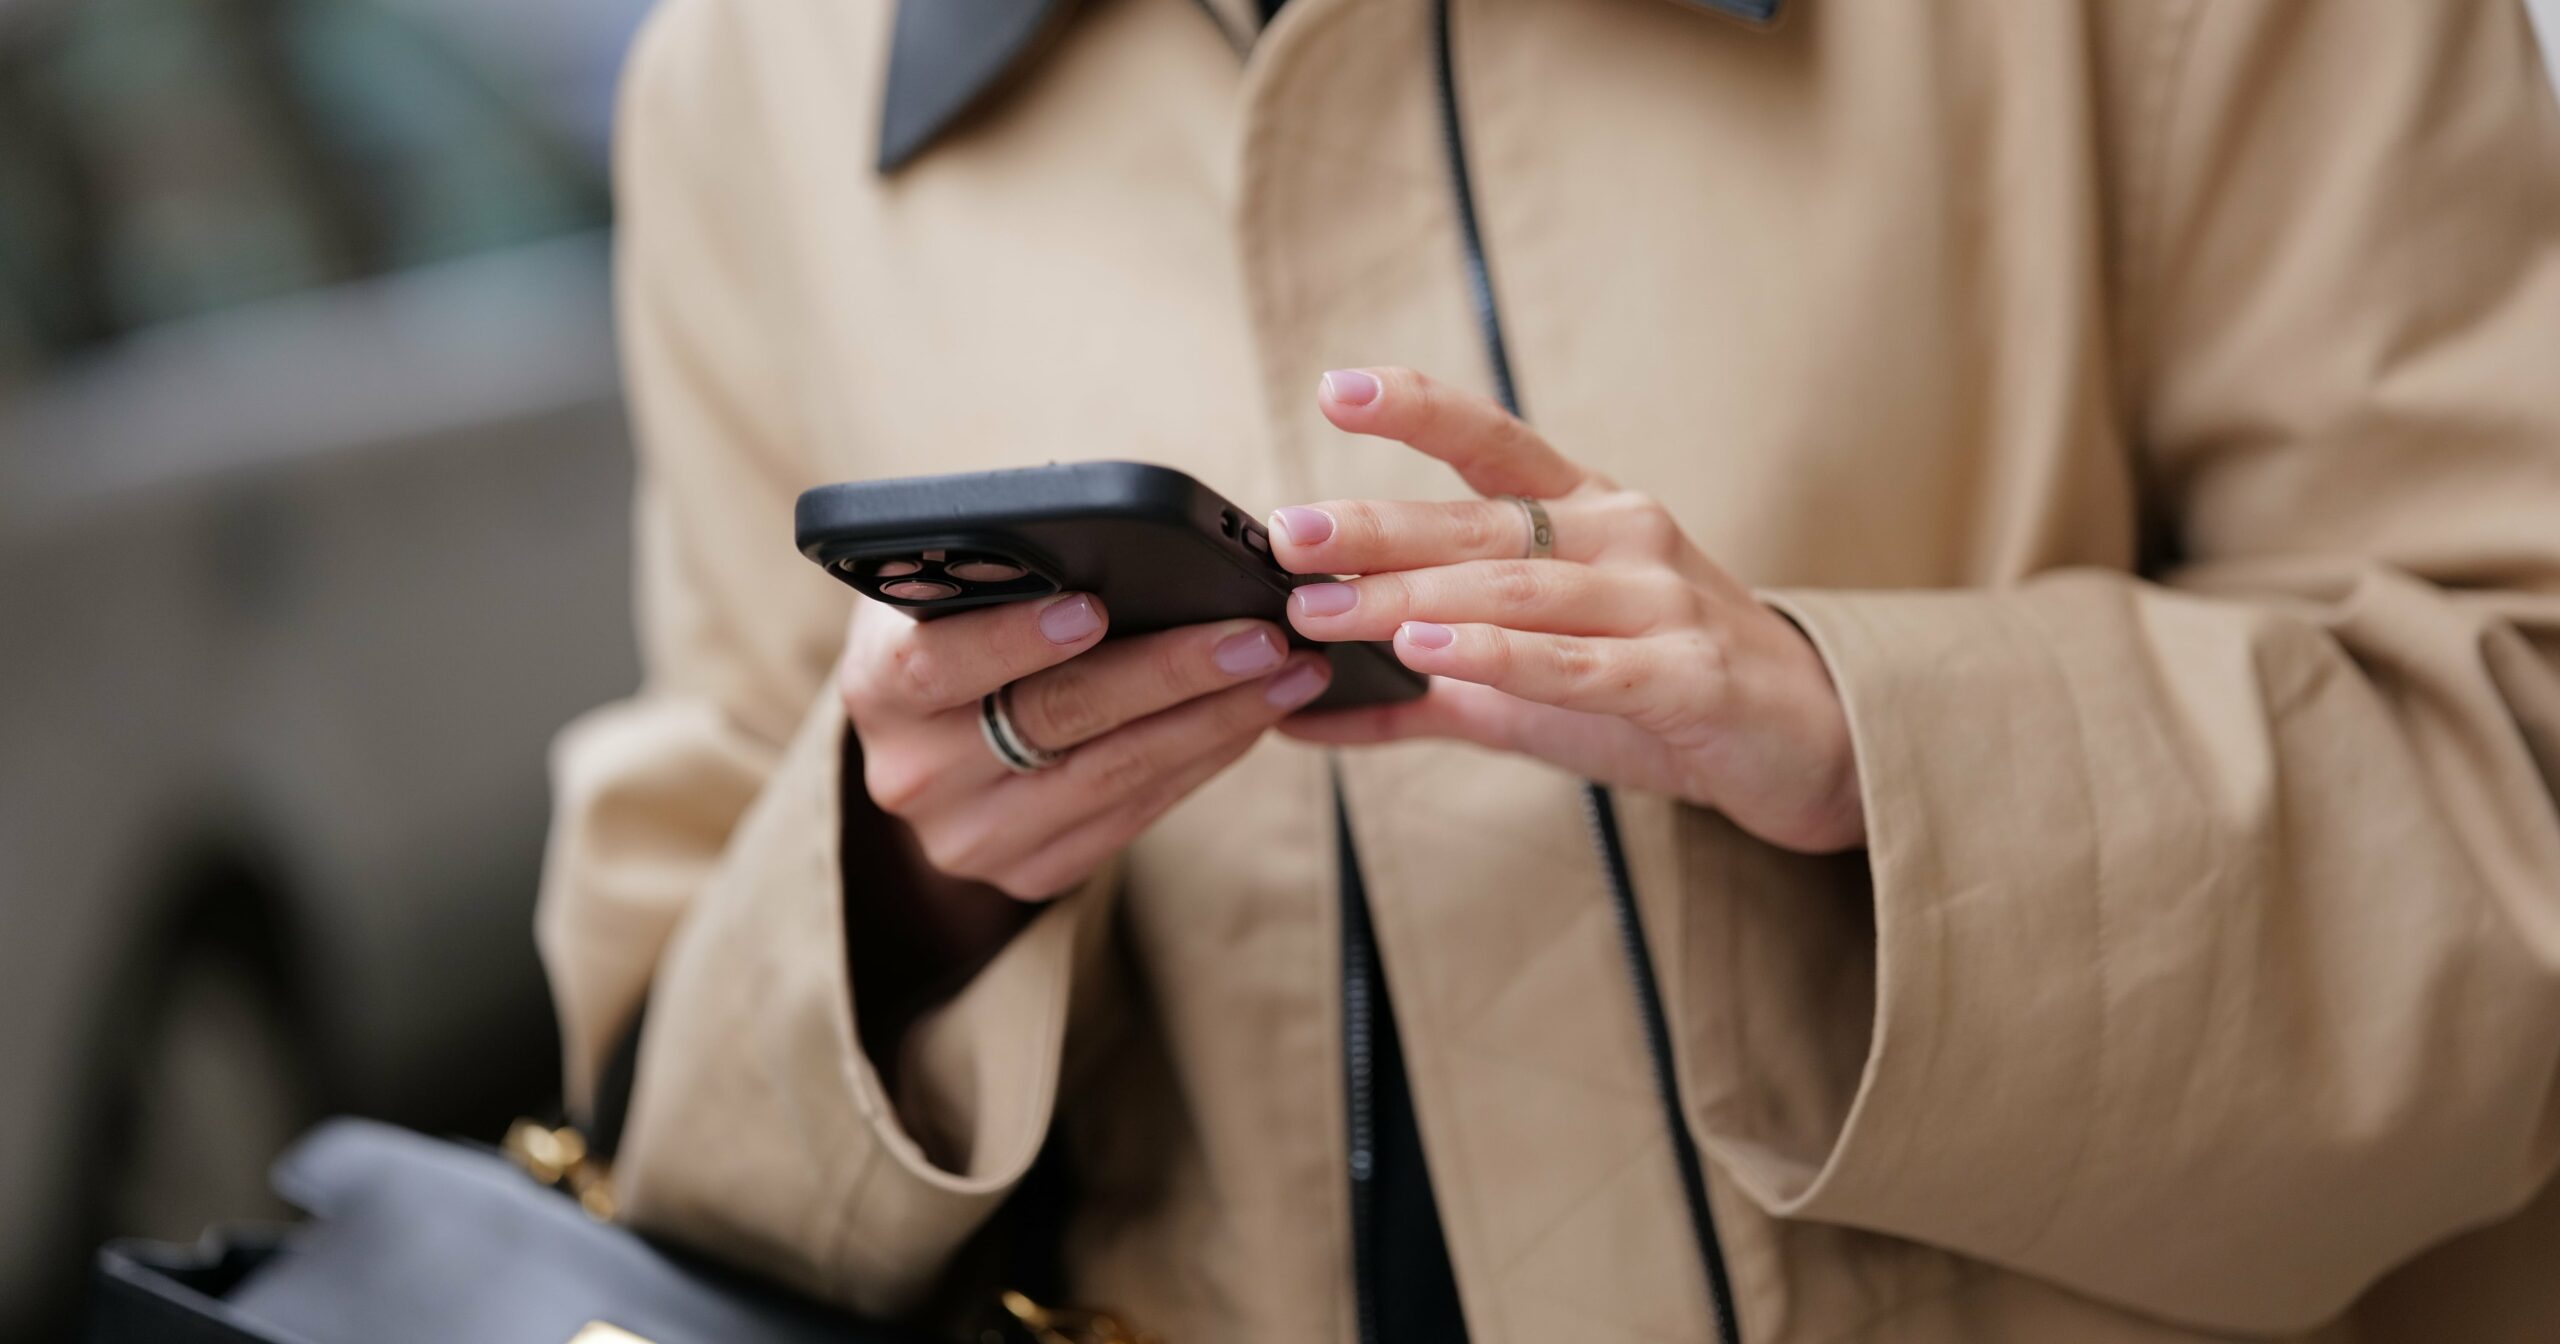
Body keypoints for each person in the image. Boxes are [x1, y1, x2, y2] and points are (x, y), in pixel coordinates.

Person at [535, 1, 2560, 1339]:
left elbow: (2512, 766)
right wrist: (908, 886)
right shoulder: (749, 77)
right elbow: (659, 1101)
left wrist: (1863, 749)